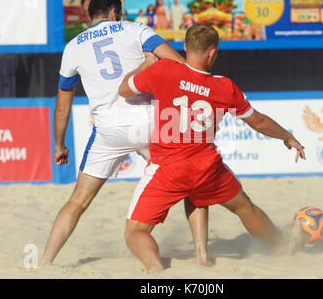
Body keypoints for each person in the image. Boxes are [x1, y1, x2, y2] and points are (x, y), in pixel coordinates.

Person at [118, 23, 307, 271]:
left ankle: (156, 269)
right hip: (207, 168)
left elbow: (123, 90)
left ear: (184, 47)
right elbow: (258, 121)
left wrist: (146, 64)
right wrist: (287, 137)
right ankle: (280, 242)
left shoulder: (164, 69)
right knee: (244, 206)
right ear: (212, 53)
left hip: (167, 169)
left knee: (135, 232)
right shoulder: (224, 87)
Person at [40, 0, 209, 266]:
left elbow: (62, 107)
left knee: (78, 201)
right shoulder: (136, 29)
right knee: (192, 186)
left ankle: (45, 263)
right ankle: (201, 256)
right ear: (115, 13)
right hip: (152, 124)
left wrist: (59, 145)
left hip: (109, 130)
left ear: (90, 16)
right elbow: (177, 64)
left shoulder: (72, 48)